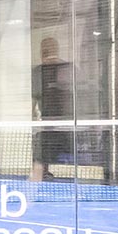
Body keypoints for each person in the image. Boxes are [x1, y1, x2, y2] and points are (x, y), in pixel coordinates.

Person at [32, 36, 74, 183]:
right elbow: (34, 99)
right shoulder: (38, 71)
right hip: (46, 124)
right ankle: (43, 173)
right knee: (42, 156)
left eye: (46, 48)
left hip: (66, 124)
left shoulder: (67, 68)